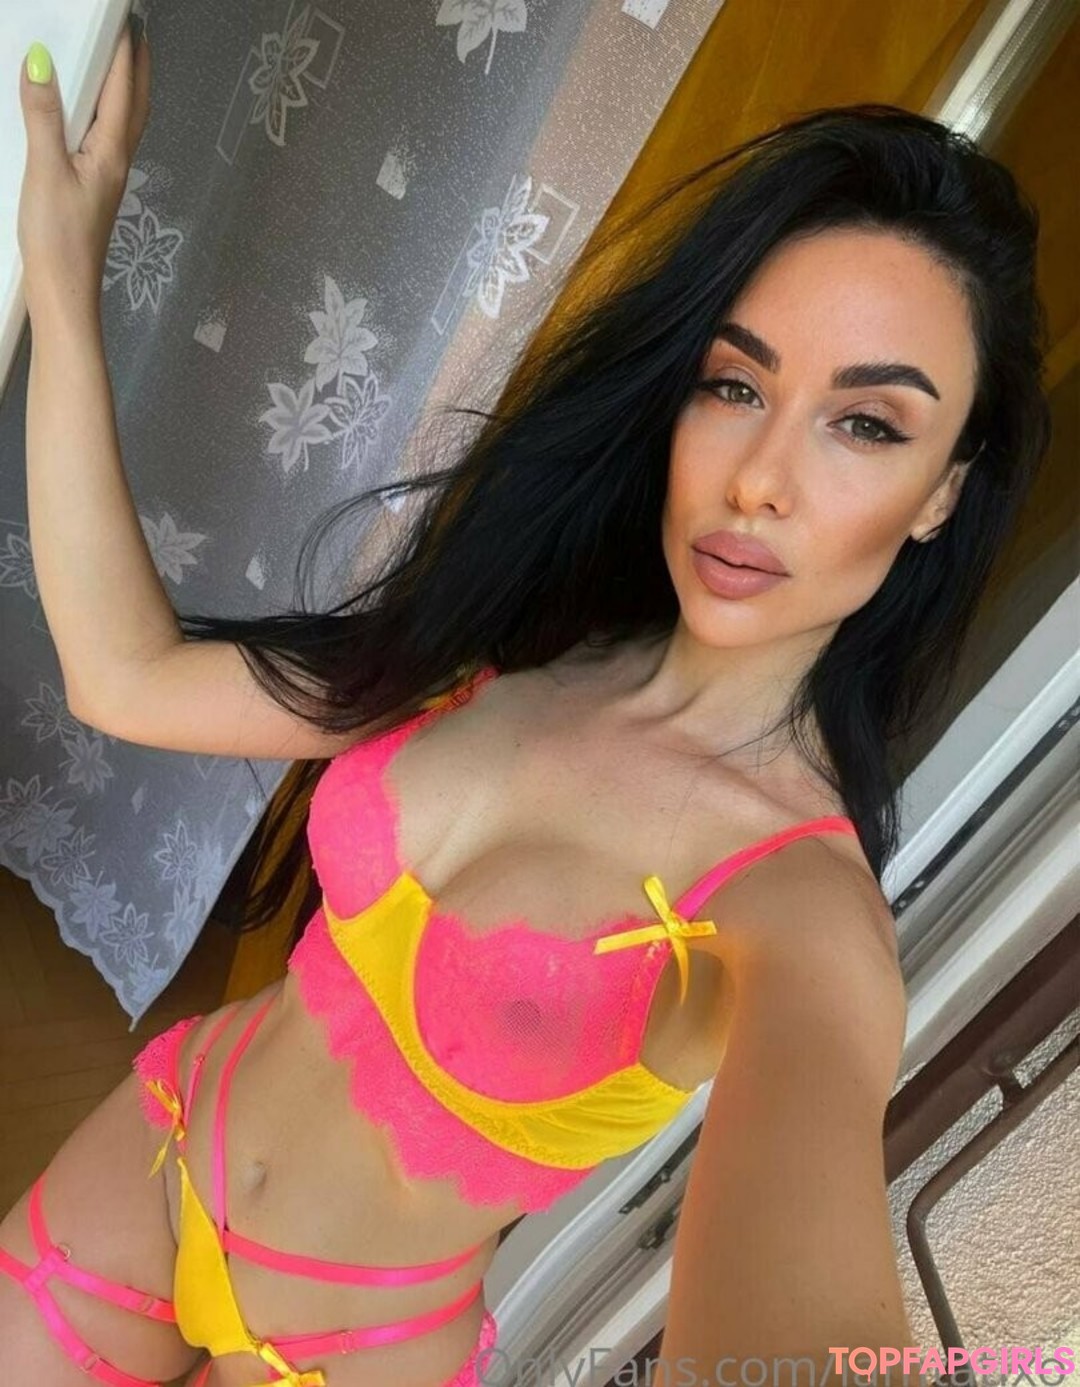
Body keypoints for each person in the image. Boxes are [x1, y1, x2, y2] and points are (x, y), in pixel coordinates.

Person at [2, 18, 1051, 1387]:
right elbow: (124, 676)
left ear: (941, 495)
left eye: (867, 424)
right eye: (734, 384)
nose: (759, 480)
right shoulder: (505, 645)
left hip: (353, 1348)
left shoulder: (798, 915)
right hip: (152, 1157)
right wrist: (62, 277)